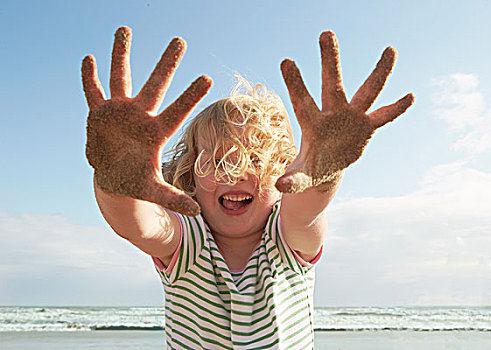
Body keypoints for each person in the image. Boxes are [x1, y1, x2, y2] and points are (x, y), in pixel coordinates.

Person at [81, 26, 414, 349]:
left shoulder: (286, 238)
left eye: (255, 160)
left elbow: (307, 210)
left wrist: (323, 168)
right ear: (190, 175)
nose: (233, 174)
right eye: (214, 161)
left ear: (287, 171)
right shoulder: (186, 242)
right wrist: (116, 182)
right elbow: (139, 224)